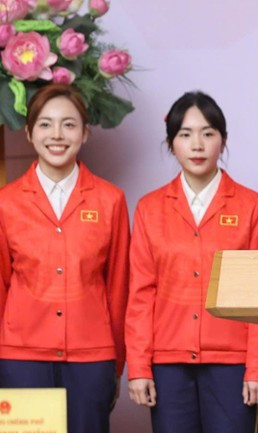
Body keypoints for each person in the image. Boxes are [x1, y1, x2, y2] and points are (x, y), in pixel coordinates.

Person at [125, 91, 258, 433]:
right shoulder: (150, 209)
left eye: (208, 133)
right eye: (185, 134)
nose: (197, 144)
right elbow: (140, 295)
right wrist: (138, 367)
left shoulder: (251, 206)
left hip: (232, 364)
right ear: (171, 143)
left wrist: (257, 368)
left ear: (223, 141)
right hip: (168, 365)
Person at [0, 83, 130, 433]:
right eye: (45, 124)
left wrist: (116, 361)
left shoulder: (110, 201)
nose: (57, 135)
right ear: (28, 133)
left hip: (92, 357)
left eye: (69, 124)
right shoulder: (6, 203)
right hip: (22, 358)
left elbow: (118, 286)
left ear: (85, 133)